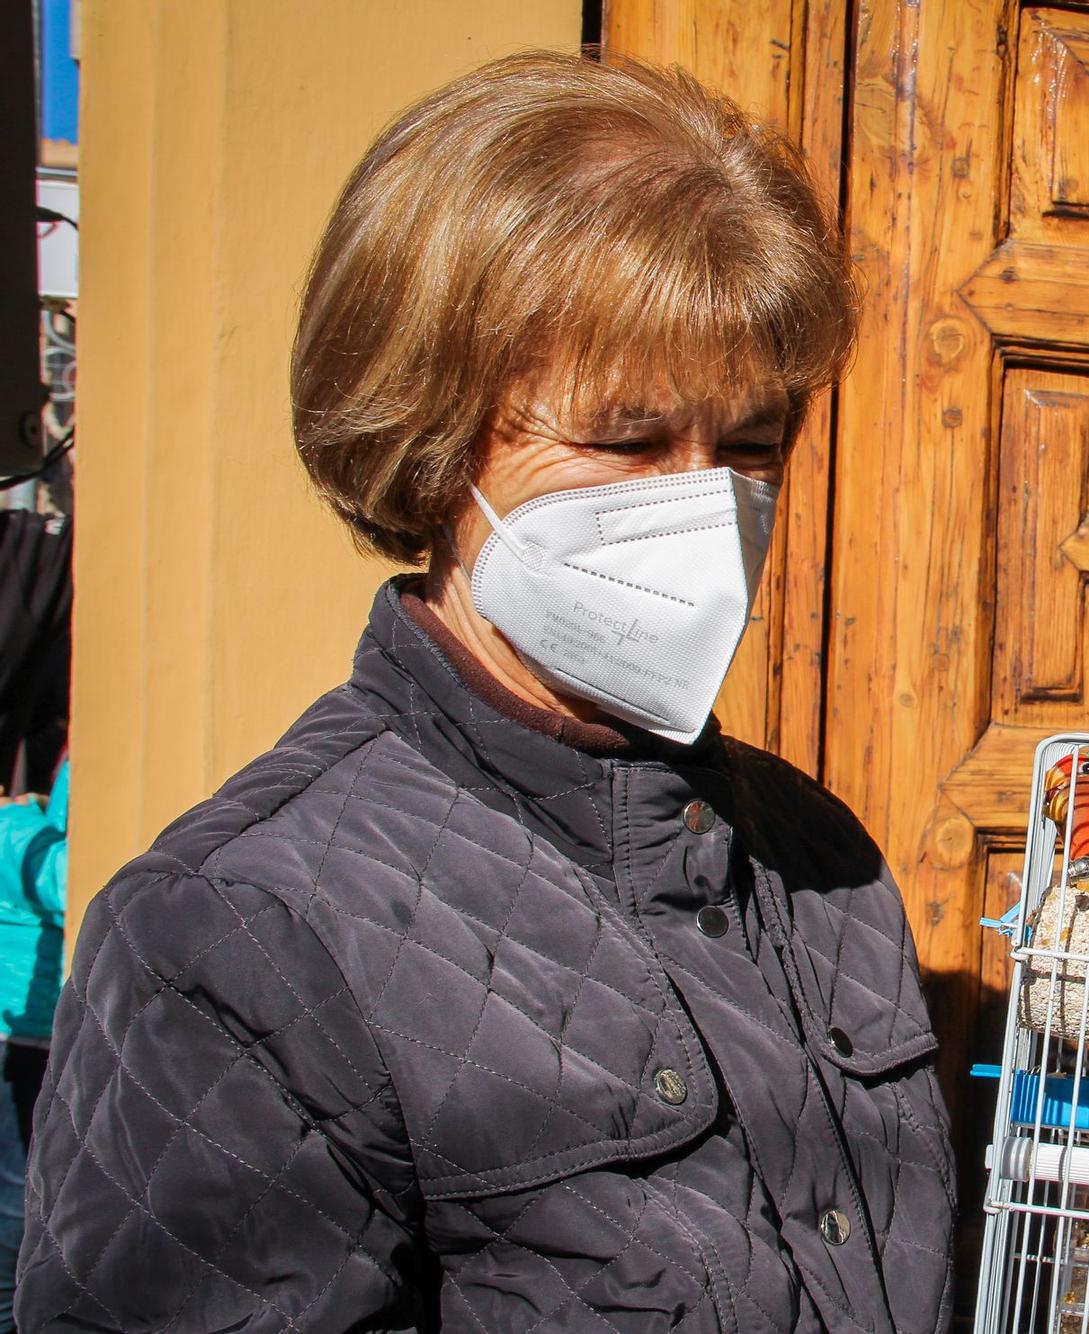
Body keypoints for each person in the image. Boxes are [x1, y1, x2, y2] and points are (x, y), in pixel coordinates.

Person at [17, 53, 954, 1332]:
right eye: (625, 439)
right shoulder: (231, 940)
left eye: (750, 447)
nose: (702, 502)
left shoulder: (819, 865)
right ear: (434, 439)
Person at [0, 759, 64, 1331]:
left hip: (43, 1032)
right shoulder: (11, 829)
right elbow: (66, 878)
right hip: (19, 1038)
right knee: (17, 1202)